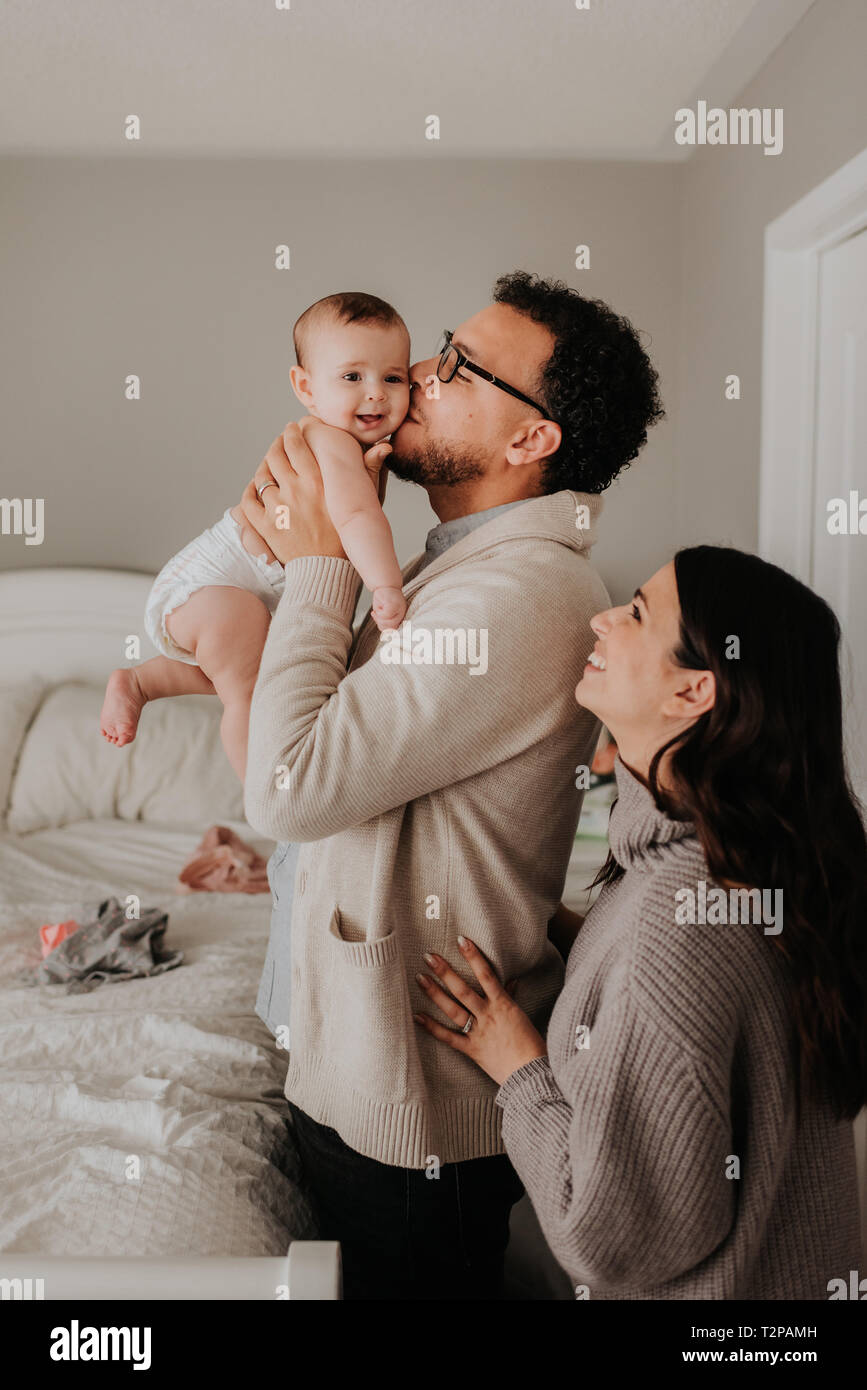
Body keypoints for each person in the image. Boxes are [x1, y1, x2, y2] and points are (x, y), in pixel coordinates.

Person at [240, 271, 664, 1299]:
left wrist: (317, 564)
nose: (419, 375)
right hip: (363, 1067)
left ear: (532, 440)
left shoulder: (520, 593)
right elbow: (344, 751)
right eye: (444, 347)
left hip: (410, 1111)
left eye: (463, 367)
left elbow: (291, 782)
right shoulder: (462, 561)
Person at [416, 546, 866, 1299]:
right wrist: (546, 921)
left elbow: (609, 1239)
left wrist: (517, 1066)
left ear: (693, 690)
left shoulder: (681, 921)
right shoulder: (750, 858)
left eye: (634, 612)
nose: (600, 618)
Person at [99, 291, 408, 778]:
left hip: (222, 590)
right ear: (306, 387)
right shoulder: (330, 440)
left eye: (394, 377)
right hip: (217, 582)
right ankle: (264, 789)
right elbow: (355, 517)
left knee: (256, 668)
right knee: (248, 689)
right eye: (352, 376)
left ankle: (140, 683)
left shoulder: (351, 443)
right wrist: (387, 586)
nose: (376, 392)